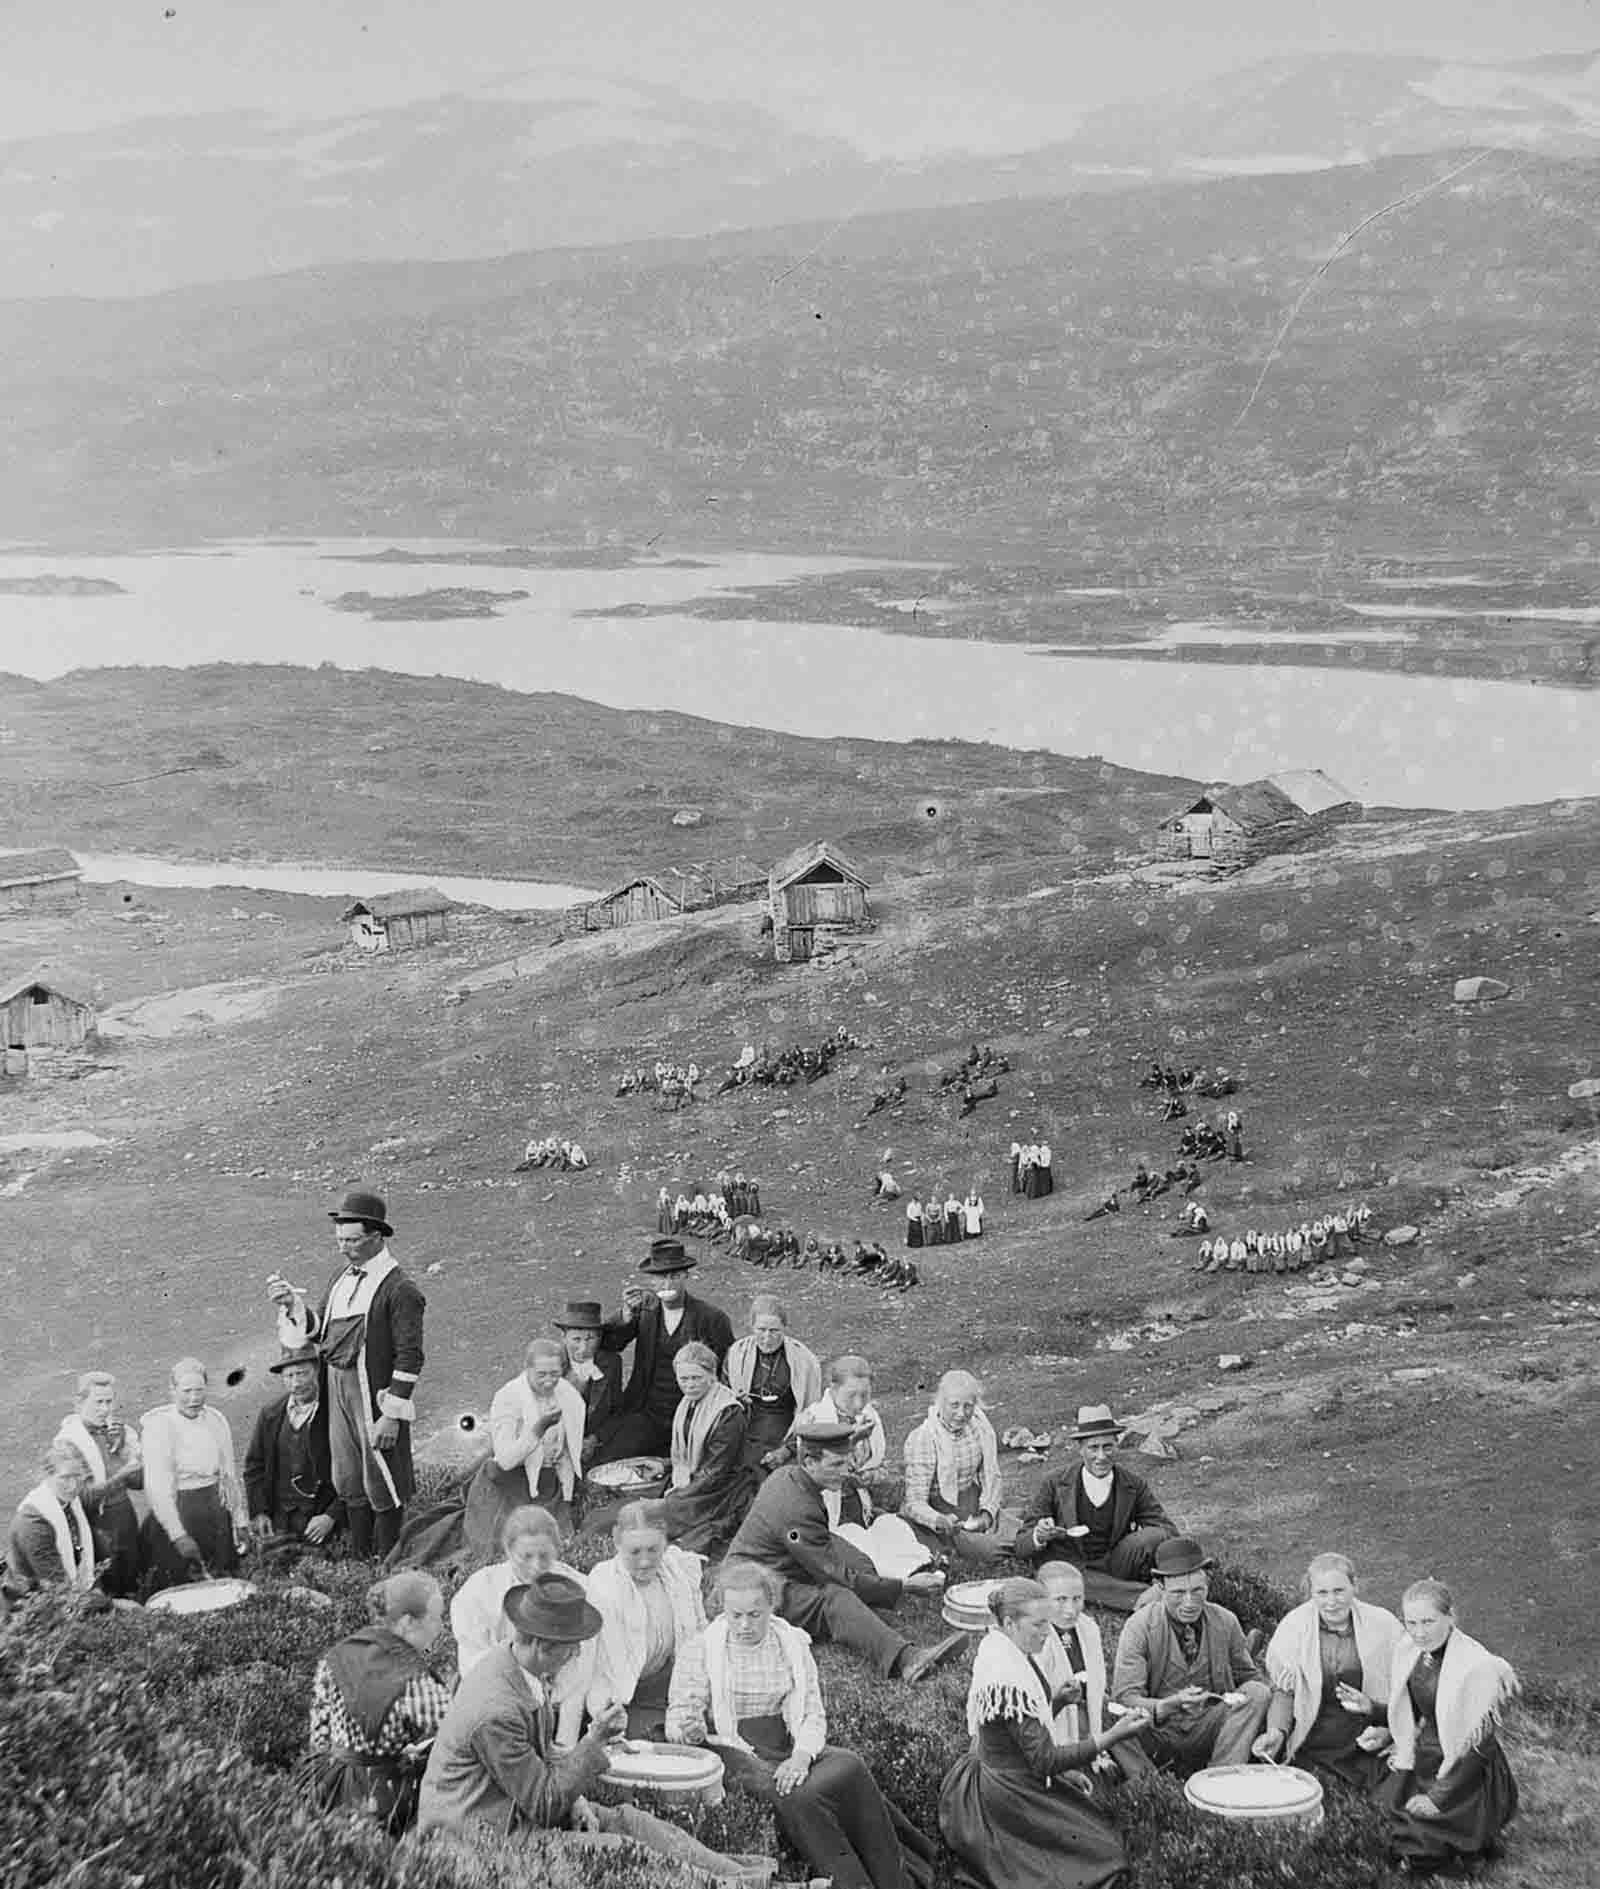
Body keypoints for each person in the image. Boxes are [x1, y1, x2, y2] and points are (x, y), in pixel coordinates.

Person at [417, 1573, 772, 1884]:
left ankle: (750, 1878)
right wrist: (594, 1740)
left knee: (632, 1823)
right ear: (542, 1645)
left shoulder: (518, 1666)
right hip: (482, 1835)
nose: (575, 1657)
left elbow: (540, 1763)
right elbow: (543, 1804)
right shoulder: (497, 1709)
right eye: (571, 1650)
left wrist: (579, 1798)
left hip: (513, 1809)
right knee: (622, 1852)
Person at [669, 1558, 929, 1889]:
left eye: (755, 1614)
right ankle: (852, 1883)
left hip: (785, 1741)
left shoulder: (791, 1642)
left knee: (849, 1764)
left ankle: (893, 1878)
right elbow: (680, 1713)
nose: (745, 1625)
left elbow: (810, 1710)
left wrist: (801, 1756)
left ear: (771, 1606)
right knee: (798, 1796)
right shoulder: (702, 1646)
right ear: (722, 1608)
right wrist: (690, 1730)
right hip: (732, 1748)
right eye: (736, 1615)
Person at [939, 1578, 1150, 1889]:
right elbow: (1045, 1760)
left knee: (1101, 1832)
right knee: (1106, 1856)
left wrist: (1056, 1701)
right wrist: (1113, 1735)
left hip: (1012, 1774)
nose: (1046, 1632)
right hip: (1008, 1794)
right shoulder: (1006, 1674)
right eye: (1038, 1625)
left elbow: (1017, 1729)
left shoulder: (1003, 1649)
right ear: (1010, 1622)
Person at [726, 1421, 961, 1684]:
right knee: (835, 1598)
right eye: (836, 1465)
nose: (845, 1471)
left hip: (778, 1560)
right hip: (755, 1588)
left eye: (846, 1462)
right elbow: (836, 1576)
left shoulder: (791, 1475)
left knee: (857, 1561)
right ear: (810, 1462)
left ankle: (863, 1612)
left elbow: (820, 1545)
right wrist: (904, 1586)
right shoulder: (796, 1508)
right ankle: (907, 1659)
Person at [268, 1187, 426, 1558]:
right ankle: (360, 1555)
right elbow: (320, 1328)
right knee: (348, 1474)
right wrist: (293, 1304)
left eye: (351, 1240)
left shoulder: (400, 1289)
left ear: (376, 1237)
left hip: (372, 1398)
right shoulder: (341, 1278)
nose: (343, 1247)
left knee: (381, 1476)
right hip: (336, 1386)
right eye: (339, 1239)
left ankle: (388, 1556)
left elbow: (410, 1356)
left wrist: (391, 1416)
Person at [1372, 1577, 1520, 1875]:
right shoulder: (1410, 1651)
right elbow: (1412, 1708)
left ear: (1451, 1617)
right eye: (1411, 1623)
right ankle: (1462, 1845)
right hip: (1429, 1752)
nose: (1419, 1632)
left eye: (1428, 1622)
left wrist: (1438, 1798)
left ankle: (1470, 1844)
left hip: (1468, 1769)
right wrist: (1371, 1712)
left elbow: (1481, 1745)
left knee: (1422, 1832)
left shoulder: (1476, 1666)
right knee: (1389, 1809)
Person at [307, 1570, 453, 1834]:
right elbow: (460, 1733)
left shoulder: (335, 1656)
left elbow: (319, 1737)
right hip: (383, 1797)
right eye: (436, 1618)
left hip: (330, 1783)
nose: (441, 1626)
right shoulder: (416, 1682)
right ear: (409, 1622)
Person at [1110, 1536, 1270, 1776]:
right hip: (1158, 1732)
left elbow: (1249, 1678)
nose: (1189, 1602)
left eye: (1198, 1591)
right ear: (1160, 1587)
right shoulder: (1139, 1627)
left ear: (1207, 1585)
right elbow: (1125, 1698)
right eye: (1178, 1593)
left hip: (1211, 1726)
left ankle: (1222, 1779)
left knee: (1258, 1693)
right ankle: (1150, 1784)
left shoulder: (1225, 1621)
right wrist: (1168, 1705)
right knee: (1110, 1711)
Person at [1252, 1552, 1403, 1785]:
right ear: (1310, 1593)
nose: (1331, 1602)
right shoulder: (1294, 1627)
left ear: (1355, 1586)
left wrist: (1391, 1733)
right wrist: (1276, 1732)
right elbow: (1284, 1692)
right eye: (1322, 1593)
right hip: (1314, 1733)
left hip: (1368, 1733)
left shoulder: (1384, 1625)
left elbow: (1407, 1690)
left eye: (1339, 1591)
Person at [450, 1506, 590, 1743]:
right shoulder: (479, 1591)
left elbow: (580, 1671)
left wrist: (565, 1744)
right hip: (493, 1696)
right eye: (526, 1556)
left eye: (545, 1556)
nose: (536, 1566)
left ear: (557, 1549)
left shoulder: (577, 1589)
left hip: (556, 1699)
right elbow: (475, 1667)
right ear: (508, 1550)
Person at [1020, 1405, 1177, 1609]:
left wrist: (1171, 1562)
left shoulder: (1133, 1484)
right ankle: (1144, 1596)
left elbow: (1168, 1530)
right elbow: (1021, 1544)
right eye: (1093, 1448)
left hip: (1116, 1561)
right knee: (1063, 1579)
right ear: (1081, 1449)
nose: (1101, 1457)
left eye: (1108, 1447)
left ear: (1117, 1445)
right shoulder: (1055, 1482)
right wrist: (1039, 1535)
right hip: (1070, 1566)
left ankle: (1123, 1587)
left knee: (1154, 1535)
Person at [599, 1238, 735, 1461]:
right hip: (647, 1411)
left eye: (675, 1276)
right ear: (652, 1280)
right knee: (612, 1459)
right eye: (661, 1277)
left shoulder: (711, 1318)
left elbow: (728, 1368)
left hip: (692, 1412)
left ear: (686, 1276)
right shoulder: (644, 1311)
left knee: (682, 1469)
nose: (668, 1284)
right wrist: (624, 1314)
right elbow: (609, 1343)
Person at [586, 1499, 708, 1738]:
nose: (644, 1561)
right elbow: (598, 1664)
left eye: (653, 1550)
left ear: (665, 1540)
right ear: (617, 1541)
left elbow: (699, 1639)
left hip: (671, 1682)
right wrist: (607, 1715)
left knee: (698, 1734)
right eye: (634, 1552)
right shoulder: (604, 1585)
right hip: (626, 1693)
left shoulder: (678, 1572)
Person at [1034, 1560, 1149, 1780]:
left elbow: (1096, 1683)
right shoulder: (1038, 1639)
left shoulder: (1087, 1628)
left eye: (1077, 1599)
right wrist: (1060, 1699)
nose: (1070, 1609)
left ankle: (1141, 1778)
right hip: (1053, 1726)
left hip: (1089, 1713)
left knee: (1123, 1728)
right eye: (1060, 1600)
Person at [140, 1357, 249, 1586]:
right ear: (173, 1390)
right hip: (179, 1509)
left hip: (214, 1508)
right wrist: (177, 1534)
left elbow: (229, 1474)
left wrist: (239, 1521)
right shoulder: (159, 1427)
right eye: (187, 1391)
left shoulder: (216, 1420)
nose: (194, 1398)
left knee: (222, 1578)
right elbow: (158, 1489)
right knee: (183, 1580)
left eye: (199, 1390)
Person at [902, 1371, 1012, 1570]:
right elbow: (914, 1503)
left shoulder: (979, 1426)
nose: (962, 1413)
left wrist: (987, 1513)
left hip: (970, 1503)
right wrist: (940, 1520)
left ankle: (1012, 1535)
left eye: (968, 1405)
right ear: (940, 1402)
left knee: (1018, 1527)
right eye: (954, 1405)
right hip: (940, 1513)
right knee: (992, 1550)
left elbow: (990, 1476)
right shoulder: (924, 1438)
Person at [480, 1338, 585, 1541]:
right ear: (526, 1369)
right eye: (541, 1374)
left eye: (555, 1374)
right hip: (512, 1477)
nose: (549, 1381)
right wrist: (539, 1429)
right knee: (514, 1535)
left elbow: (568, 1448)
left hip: (548, 1477)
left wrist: (567, 1491)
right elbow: (506, 1460)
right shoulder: (507, 1397)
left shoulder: (566, 1393)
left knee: (555, 1535)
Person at [244, 1343, 342, 1554]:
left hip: (321, 1521)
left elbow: (356, 1468)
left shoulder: (336, 1410)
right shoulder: (270, 1414)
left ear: (316, 1370)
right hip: (281, 1520)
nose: (296, 1383)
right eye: (289, 1376)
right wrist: (259, 1512)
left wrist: (332, 1515)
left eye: (302, 1373)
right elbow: (254, 1467)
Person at [56, 1370, 143, 1595]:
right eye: (98, 1402)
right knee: (109, 1588)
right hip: (97, 1525)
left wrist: (122, 1448)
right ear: (79, 1403)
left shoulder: (116, 1432)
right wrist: (122, 1473)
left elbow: (140, 1482)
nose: (105, 1409)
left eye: (109, 1402)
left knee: (135, 1580)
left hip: (125, 1518)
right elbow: (85, 1498)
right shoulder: (68, 1442)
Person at [663, 1342, 754, 1554]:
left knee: (660, 1514)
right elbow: (690, 1451)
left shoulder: (728, 1413)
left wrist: (682, 1493)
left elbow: (716, 1469)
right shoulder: (689, 1403)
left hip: (723, 1488)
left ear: (712, 1376)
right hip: (697, 1476)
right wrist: (667, 1466)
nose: (689, 1385)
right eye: (683, 1379)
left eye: (696, 1378)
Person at [785, 1355, 889, 1527]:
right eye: (851, 1396)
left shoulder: (870, 1416)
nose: (858, 1404)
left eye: (865, 1395)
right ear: (833, 1388)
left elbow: (879, 1464)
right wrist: (854, 1441)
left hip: (859, 1501)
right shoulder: (814, 1421)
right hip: (824, 1506)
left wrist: (871, 1475)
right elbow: (815, 1474)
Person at [727, 1297, 823, 1472]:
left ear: (784, 1328)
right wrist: (736, 1401)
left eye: (774, 1331)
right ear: (751, 1327)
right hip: (745, 1429)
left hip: (786, 1432)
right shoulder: (736, 1354)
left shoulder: (804, 1360)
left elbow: (811, 1413)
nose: (767, 1338)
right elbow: (722, 1400)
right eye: (761, 1330)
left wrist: (787, 1450)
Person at [7, 1439, 98, 1596]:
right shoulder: (34, 1524)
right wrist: (111, 1604)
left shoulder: (70, 1504)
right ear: (47, 1475)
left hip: (62, 1593)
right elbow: (59, 1588)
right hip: (31, 1605)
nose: (73, 1486)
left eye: (78, 1477)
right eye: (65, 1478)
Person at [553, 1300, 624, 1469]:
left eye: (590, 1338)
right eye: (576, 1339)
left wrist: (594, 1439)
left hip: (593, 1445)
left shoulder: (611, 1363)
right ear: (563, 1337)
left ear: (599, 1337)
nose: (583, 1347)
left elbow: (617, 1411)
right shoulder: (548, 1362)